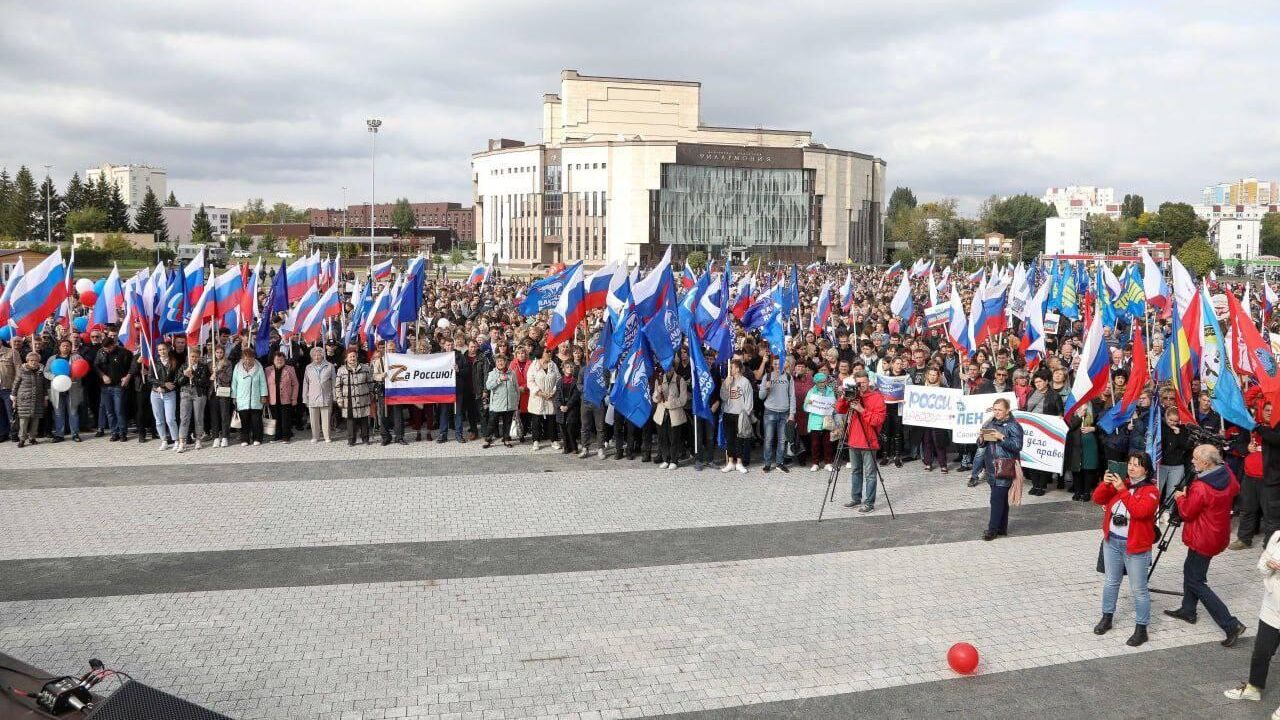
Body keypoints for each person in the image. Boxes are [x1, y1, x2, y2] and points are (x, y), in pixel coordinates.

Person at [1165, 444, 1248, 647]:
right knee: (1190, 570)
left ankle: (1231, 624)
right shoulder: (1226, 471)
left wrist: (1181, 497)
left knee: (1196, 581)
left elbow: (1186, 513)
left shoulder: (1201, 487)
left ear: (1205, 463)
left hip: (1202, 536)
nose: (1192, 461)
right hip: (1216, 533)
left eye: (1195, 458)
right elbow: (1236, 489)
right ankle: (1188, 610)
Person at [1092, 452, 1160, 647]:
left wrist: (1122, 490)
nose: (1131, 468)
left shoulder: (1151, 490)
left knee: (1139, 589)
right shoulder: (1123, 483)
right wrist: (1105, 484)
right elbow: (1098, 499)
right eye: (1129, 463)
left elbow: (1140, 512)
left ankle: (1141, 628)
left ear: (1146, 470)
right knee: (1111, 582)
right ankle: (1107, 617)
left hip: (1135, 545)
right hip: (1112, 541)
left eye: (1137, 465)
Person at [1223, 527, 1280, 708]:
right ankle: (1254, 688)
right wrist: (1268, 565)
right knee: (1261, 651)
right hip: (1272, 607)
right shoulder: (1278, 536)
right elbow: (1262, 565)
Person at [835, 370, 887, 513]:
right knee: (855, 471)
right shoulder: (853, 395)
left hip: (869, 441)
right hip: (853, 440)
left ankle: (869, 503)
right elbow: (839, 410)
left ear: (869, 382)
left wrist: (861, 409)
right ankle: (856, 498)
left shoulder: (877, 397)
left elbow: (878, 420)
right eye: (859, 383)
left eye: (864, 382)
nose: (862, 385)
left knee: (870, 474)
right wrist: (844, 397)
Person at [978, 398, 1024, 540]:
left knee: (996, 499)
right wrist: (981, 438)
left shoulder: (1013, 426)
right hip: (992, 466)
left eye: (1000, 410)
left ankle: (992, 530)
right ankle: (1002, 528)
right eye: (995, 409)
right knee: (1001, 499)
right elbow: (981, 445)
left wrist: (1001, 437)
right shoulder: (990, 423)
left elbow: (1017, 446)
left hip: (1005, 466)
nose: (997, 412)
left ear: (1007, 410)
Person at [758, 356, 796, 473]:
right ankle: (767, 463)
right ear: (772, 365)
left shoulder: (789, 377)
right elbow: (761, 396)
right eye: (774, 364)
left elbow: (792, 396)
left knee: (782, 440)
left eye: (779, 363)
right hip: (770, 412)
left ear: (784, 364)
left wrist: (792, 414)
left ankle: (779, 462)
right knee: (768, 439)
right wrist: (766, 388)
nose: (777, 366)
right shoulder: (767, 376)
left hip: (784, 413)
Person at [44, 339, 84, 442]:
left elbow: (82, 369)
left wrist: (75, 377)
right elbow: (46, 372)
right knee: (58, 413)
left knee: (73, 412)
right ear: (59, 347)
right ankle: (59, 435)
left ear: (71, 347)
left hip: (72, 388)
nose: (65, 347)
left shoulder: (76, 357)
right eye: (63, 346)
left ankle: (75, 434)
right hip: (57, 389)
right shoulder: (52, 359)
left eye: (67, 346)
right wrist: (54, 377)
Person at [93, 336, 132, 441]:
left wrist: (127, 376)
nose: (106, 350)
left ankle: (123, 432)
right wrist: (103, 376)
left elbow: (131, 366)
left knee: (119, 410)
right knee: (109, 411)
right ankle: (114, 432)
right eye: (105, 348)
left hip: (118, 386)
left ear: (113, 345)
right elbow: (95, 366)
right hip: (105, 387)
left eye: (108, 348)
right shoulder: (101, 352)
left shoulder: (124, 352)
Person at [719, 359, 754, 473]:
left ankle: (739, 462)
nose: (730, 370)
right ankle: (730, 462)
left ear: (738, 369)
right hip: (728, 413)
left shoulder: (745, 382)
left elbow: (749, 399)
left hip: (740, 414)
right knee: (730, 439)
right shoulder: (727, 381)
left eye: (732, 367)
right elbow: (723, 397)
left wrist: (746, 413)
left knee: (739, 439)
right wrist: (725, 385)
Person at [175, 344, 211, 452]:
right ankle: (182, 441)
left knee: (198, 417)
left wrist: (193, 377)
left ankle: (198, 439)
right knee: (184, 417)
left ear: (199, 357)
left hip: (199, 393)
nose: (194, 359)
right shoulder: (183, 366)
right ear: (188, 357)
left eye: (196, 356)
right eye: (192, 356)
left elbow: (204, 382)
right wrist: (185, 375)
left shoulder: (203, 367)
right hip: (185, 393)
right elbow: (179, 382)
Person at [651, 366, 688, 470]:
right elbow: (655, 399)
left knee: (674, 438)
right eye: (666, 368)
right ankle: (665, 459)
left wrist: (670, 404)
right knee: (663, 438)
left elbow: (683, 400)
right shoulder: (659, 380)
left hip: (675, 414)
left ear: (673, 368)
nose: (668, 371)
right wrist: (658, 392)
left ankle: (674, 460)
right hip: (661, 414)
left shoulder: (680, 380)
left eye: (670, 368)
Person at [334, 349, 372, 445]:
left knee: (364, 419)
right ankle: (351, 440)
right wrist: (339, 398)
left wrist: (372, 394)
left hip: (363, 397)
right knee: (350, 420)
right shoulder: (341, 370)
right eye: (350, 356)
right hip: (349, 399)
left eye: (354, 356)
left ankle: (365, 439)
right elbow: (338, 386)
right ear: (346, 358)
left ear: (357, 357)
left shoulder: (365, 368)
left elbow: (370, 383)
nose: (352, 358)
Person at [231, 348, 268, 446]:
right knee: (244, 420)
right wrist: (234, 396)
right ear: (242, 358)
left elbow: (263, 382)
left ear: (253, 358)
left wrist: (263, 395)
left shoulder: (259, 367)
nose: (248, 360)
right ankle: (245, 439)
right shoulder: (237, 368)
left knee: (256, 420)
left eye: (250, 358)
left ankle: (257, 438)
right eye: (246, 358)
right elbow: (234, 383)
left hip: (255, 398)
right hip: (242, 397)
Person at [149, 342, 180, 449]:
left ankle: (176, 440)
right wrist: (161, 385)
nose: (162, 352)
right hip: (156, 393)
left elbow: (177, 377)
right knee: (159, 420)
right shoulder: (154, 362)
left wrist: (171, 385)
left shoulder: (174, 362)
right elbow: (150, 377)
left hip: (169, 394)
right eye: (160, 350)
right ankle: (164, 440)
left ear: (168, 349)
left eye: (164, 349)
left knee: (170, 419)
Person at [526, 348, 559, 450]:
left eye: (550, 352)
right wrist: (539, 392)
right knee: (536, 420)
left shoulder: (553, 365)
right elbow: (530, 381)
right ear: (541, 353)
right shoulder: (533, 365)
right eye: (547, 352)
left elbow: (558, 379)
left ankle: (554, 440)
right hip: (537, 397)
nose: (550, 353)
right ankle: (536, 441)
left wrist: (553, 392)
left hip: (550, 396)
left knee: (552, 420)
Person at [12, 351, 47, 447]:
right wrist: (13, 396)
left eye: (36, 360)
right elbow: (16, 384)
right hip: (24, 399)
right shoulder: (22, 370)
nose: (33, 362)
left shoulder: (41, 371)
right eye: (31, 360)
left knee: (36, 420)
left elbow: (44, 385)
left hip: (38, 399)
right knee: (23, 420)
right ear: (27, 361)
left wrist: (45, 397)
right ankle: (22, 439)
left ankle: (32, 438)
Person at [302, 347, 335, 443]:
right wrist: (304, 398)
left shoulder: (330, 366)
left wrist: (335, 396)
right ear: (312, 356)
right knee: (313, 419)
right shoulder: (308, 367)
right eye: (314, 355)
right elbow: (305, 383)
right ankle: (315, 436)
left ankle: (327, 436)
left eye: (319, 355)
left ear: (323, 355)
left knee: (326, 419)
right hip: (312, 396)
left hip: (326, 396)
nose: (317, 357)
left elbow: (334, 381)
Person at [804, 372, 836, 472]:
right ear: (816, 382)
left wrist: (834, 406)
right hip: (815, 421)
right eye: (821, 382)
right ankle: (815, 463)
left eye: (824, 381)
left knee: (828, 444)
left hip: (827, 421)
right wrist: (808, 403)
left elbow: (834, 405)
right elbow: (805, 407)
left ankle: (828, 463)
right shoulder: (811, 392)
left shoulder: (830, 391)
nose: (823, 383)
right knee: (815, 444)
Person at [265, 351, 299, 443]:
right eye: (277, 359)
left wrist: (294, 398)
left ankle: (286, 437)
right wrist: (265, 397)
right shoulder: (268, 370)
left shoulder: (290, 369)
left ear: (284, 360)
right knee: (276, 418)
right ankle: (277, 436)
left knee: (285, 419)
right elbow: (265, 385)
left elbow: (295, 384)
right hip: (273, 399)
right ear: (273, 360)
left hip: (286, 398)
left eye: (281, 359)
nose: (279, 361)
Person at [209, 345, 235, 448]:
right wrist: (211, 377)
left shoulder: (228, 363)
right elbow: (208, 380)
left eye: (221, 352)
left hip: (224, 390)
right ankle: (216, 437)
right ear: (214, 353)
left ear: (224, 353)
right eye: (217, 352)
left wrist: (219, 371)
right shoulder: (210, 364)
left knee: (224, 414)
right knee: (214, 415)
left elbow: (228, 378)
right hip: (213, 392)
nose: (219, 354)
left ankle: (225, 436)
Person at [555, 361, 581, 456]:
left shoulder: (575, 381)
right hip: (561, 408)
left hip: (572, 408)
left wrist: (568, 406)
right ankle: (566, 447)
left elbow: (576, 396)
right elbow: (557, 396)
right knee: (563, 429)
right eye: (567, 367)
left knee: (570, 428)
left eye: (571, 367)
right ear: (563, 369)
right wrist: (560, 406)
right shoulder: (559, 381)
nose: (569, 369)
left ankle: (574, 447)